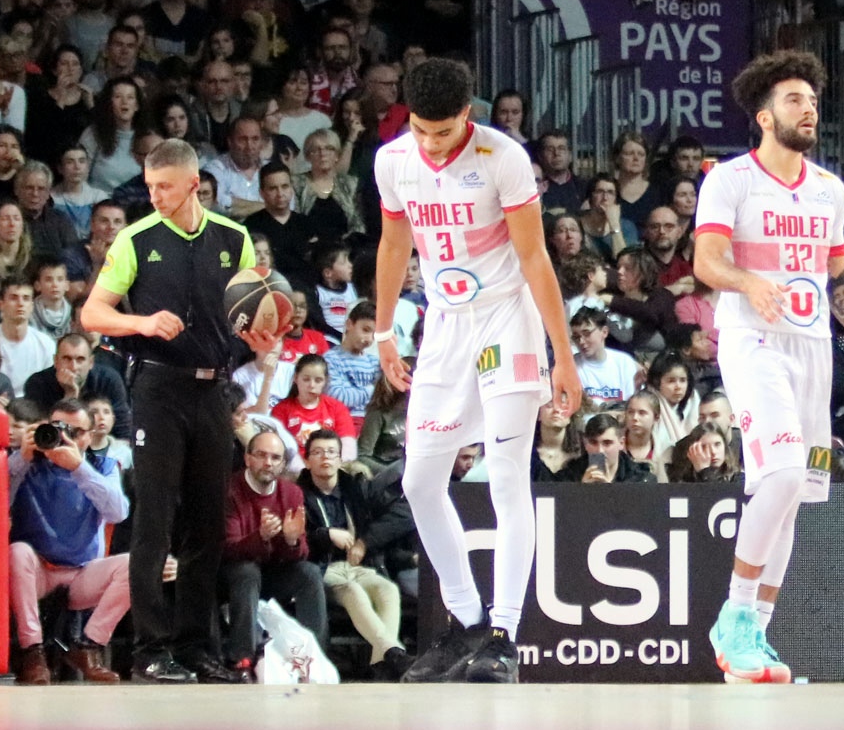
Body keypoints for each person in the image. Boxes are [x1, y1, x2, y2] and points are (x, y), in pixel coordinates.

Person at [372, 58, 582, 685]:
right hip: (443, 324)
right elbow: (392, 245)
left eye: (443, 131)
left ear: (468, 114)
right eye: (420, 130)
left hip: (505, 320)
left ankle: (503, 633)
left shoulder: (503, 156)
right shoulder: (393, 160)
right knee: (419, 481)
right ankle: (464, 624)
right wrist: (385, 331)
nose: (431, 143)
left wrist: (562, 355)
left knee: (506, 477)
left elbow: (535, 256)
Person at [691, 49, 844, 684]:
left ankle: (753, 642)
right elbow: (707, 262)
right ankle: (734, 615)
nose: (809, 109)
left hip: (814, 348)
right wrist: (748, 282)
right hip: (753, 340)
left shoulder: (829, 188)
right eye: (795, 100)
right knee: (781, 471)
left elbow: (836, 274)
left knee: (794, 494)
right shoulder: (731, 179)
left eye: (813, 100)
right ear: (765, 115)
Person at [79, 138, 277, 685]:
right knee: (156, 521)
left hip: (214, 390)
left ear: (193, 184)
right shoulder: (135, 238)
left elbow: (245, 314)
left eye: (163, 187)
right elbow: (93, 313)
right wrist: (141, 324)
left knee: (206, 525)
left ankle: (195, 646)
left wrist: (260, 334)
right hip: (159, 390)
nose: (154, 196)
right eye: (149, 187)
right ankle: (150, 647)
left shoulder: (233, 238)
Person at [7, 397, 130, 685]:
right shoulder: (26, 462)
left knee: (133, 566)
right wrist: (20, 459)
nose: (65, 438)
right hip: (37, 570)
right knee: (17, 552)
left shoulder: (103, 465)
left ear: (89, 435)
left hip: (82, 574)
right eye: (59, 428)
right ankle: (32, 652)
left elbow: (118, 512)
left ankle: (88, 647)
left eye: (75, 432)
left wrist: (79, 468)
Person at [298, 429, 407, 678]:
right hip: (321, 569)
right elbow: (300, 539)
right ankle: (393, 651)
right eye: (317, 452)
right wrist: (327, 535)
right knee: (353, 591)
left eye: (331, 452)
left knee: (388, 590)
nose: (325, 458)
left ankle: (381, 665)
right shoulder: (298, 493)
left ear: (340, 459)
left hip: (356, 565)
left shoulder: (355, 488)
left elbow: (403, 512)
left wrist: (365, 542)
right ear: (307, 460)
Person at [221, 426, 325, 668]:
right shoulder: (230, 491)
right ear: (247, 458)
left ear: (282, 464)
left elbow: (301, 553)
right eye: (261, 455)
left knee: (309, 573)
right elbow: (228, 549)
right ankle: (243, 658)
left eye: (275, 458)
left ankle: (313, 656)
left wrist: (290, 540)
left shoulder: (292, 493)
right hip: (231, 576)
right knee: (247, 571)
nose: (268, 463)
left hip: (271, 573)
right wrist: (261, 537)